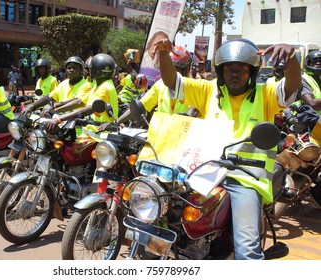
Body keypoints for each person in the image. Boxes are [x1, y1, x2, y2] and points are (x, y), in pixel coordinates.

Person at [152, 38, 302, 259]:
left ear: (251, 72)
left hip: (246, 178)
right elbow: (172, 81)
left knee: (247, 249)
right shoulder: (208, 90)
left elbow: (291, 85)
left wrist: (291, 59)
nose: (235, 73)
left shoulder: (265, 94)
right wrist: (164, 54)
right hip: (205, 171)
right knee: (165, 211)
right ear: (221, 72)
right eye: (230, 68)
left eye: (241, 69)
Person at [102, 45, 198, 130]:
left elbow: (193, 110)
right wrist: (116, 122)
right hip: (160, 134)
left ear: (186, 69)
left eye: (176, 69)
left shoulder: (193, 86)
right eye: (169, 67)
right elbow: (141, 105)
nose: (170, 73)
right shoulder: (159, 85)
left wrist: (182, 123)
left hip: (183, 134)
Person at [46, 53, 118, 132]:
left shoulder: (104, 88)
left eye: (91, 68)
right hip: (92, 131)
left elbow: (89, 108)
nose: (88, 70)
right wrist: (54, 110)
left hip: (100, 134)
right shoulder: (99, 85)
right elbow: (79, 101)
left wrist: (59, 119)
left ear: (96, 70)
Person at [21, 56, 92, 117]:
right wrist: (32, 106)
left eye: (74, 68)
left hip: (77, 121)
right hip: (60, 119)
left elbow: (77, 102)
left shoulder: (86, 85)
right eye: (69, 68)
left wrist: (55, 106)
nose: (71, 70)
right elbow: (49, 97)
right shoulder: (63, 84)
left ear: (81, 70)